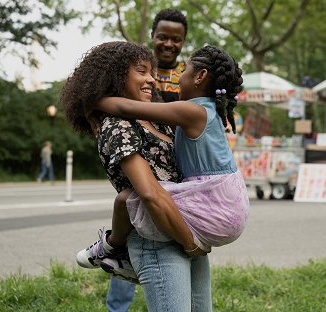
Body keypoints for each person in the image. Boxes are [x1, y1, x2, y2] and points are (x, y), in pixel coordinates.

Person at [61, 41, 212, 311]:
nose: (151, 80)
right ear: (115, 76)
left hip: (184, 229)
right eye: (142, 71)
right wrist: (189, 243)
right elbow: (149, 192)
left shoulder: (154, 117)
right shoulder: (116, 125)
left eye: (151, 72)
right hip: (156, 240)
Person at [88, 44, 249, 260]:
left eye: (184, 71)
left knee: (126, 200)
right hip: (228, 202)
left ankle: (111, 249)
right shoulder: (205, 111)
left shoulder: (192, 111)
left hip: (216, 205)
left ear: (200, 76)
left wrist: (90, 101)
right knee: (139, 199)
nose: (179, 77)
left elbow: (125, 108)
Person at [105, 8, 189, 311]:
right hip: (139, 162)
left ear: (183, 42)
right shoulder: (139, 70)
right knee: (132, 228)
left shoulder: (187, 78)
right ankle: (118, 307)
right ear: (152, 37)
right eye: (163, 37)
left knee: (173, 234)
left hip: (176, 169)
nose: (168, 44)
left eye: (176, 39)